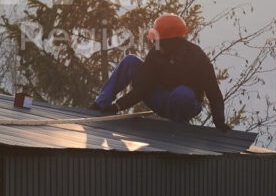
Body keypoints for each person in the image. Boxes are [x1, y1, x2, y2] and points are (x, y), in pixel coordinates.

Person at [89, 13, 230, 130]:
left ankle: (178, 125)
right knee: (130, 61)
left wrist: (219, 122)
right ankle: (99, 104)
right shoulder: (155, 54)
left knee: (182, 94)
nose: (154, 43)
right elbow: (143, 88)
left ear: (171, 42)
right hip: (161, 98)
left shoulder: (196, 56)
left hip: (186, 104)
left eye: (157, 40)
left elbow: (213, 92)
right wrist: (117, 107)